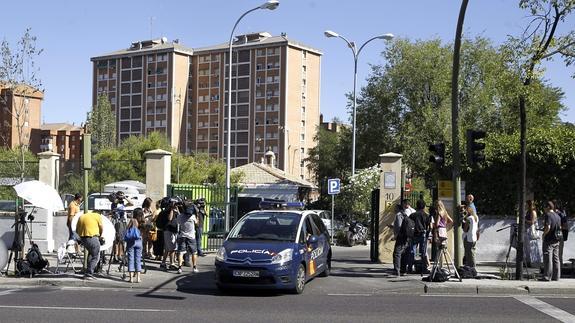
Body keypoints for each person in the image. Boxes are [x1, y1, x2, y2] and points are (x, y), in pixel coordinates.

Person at [76, 211, 103, 280]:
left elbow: (77, 230)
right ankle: (89, 274)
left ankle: (87, 272)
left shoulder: (82, 216)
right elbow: (101, 227)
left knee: (91, 254)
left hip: (83, 239)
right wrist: (100, 235)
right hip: (92, 237)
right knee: (96, 256)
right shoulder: (97, 215)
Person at [392, 201, 415, 276]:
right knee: (405, 253)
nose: (394, 210)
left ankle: (397, 271)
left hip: (401, 236)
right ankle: (403, 270)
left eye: (395, 208)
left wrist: (395, 236)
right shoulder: (412, 212)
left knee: (397, 253)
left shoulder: (399, 215)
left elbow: (399, 226)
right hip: (409, 236)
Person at [177, 202, 199, 274]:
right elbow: (197, 223)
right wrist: (197, 215)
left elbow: (179, 223)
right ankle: (194, 267)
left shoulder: (180, 216)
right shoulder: (192, 217)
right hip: (191, 236)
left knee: (181, 252)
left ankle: (179, 268)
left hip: (182, 236)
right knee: (194, 252)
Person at [541, 200, 561, 281]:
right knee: (556, 258)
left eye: (545, 207)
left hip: (549, 239)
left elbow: (548, 227)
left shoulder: (548, 215)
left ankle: (547, 277)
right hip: (556, 239)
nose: (544, 209)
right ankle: (556, 277)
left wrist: (544, 234)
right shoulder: (558, 216)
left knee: (547, 258)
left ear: (548, 207)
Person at [410, 199, 431, 273]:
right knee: (423, 251)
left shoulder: (412, 215)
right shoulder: (426, 215)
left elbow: (409, 225)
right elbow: (429, 226)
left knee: (412, 251)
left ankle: (410, 268)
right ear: (424, 206)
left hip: (414, 234)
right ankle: (424, 268)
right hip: (423, 234)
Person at [124, 215, 143, 283]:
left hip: (131, 243)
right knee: (138, 260)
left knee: (130, 259)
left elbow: (126, 232)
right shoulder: (138, 230)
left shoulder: (129, 229)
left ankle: (131, 278)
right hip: (139, 243)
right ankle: (138, 278)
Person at [524, 200, 542, 267]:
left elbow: (532, 222)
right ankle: (528, 262)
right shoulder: (528, 211)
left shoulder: (533, 212)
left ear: (529, 205)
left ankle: (533, 263)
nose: (525, 206)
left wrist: (524, 220)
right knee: (527, 247)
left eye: (526, 204)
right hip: (527, 231)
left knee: (531, 247)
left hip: (531, 231)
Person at [554, 200, 568, 266]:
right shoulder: (559, 213)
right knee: (557, 251)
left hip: (559, 233)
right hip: (558, 233)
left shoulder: (560, 214)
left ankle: (560, 266)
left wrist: (557, 227)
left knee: (558, 251)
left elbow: (565, 226)